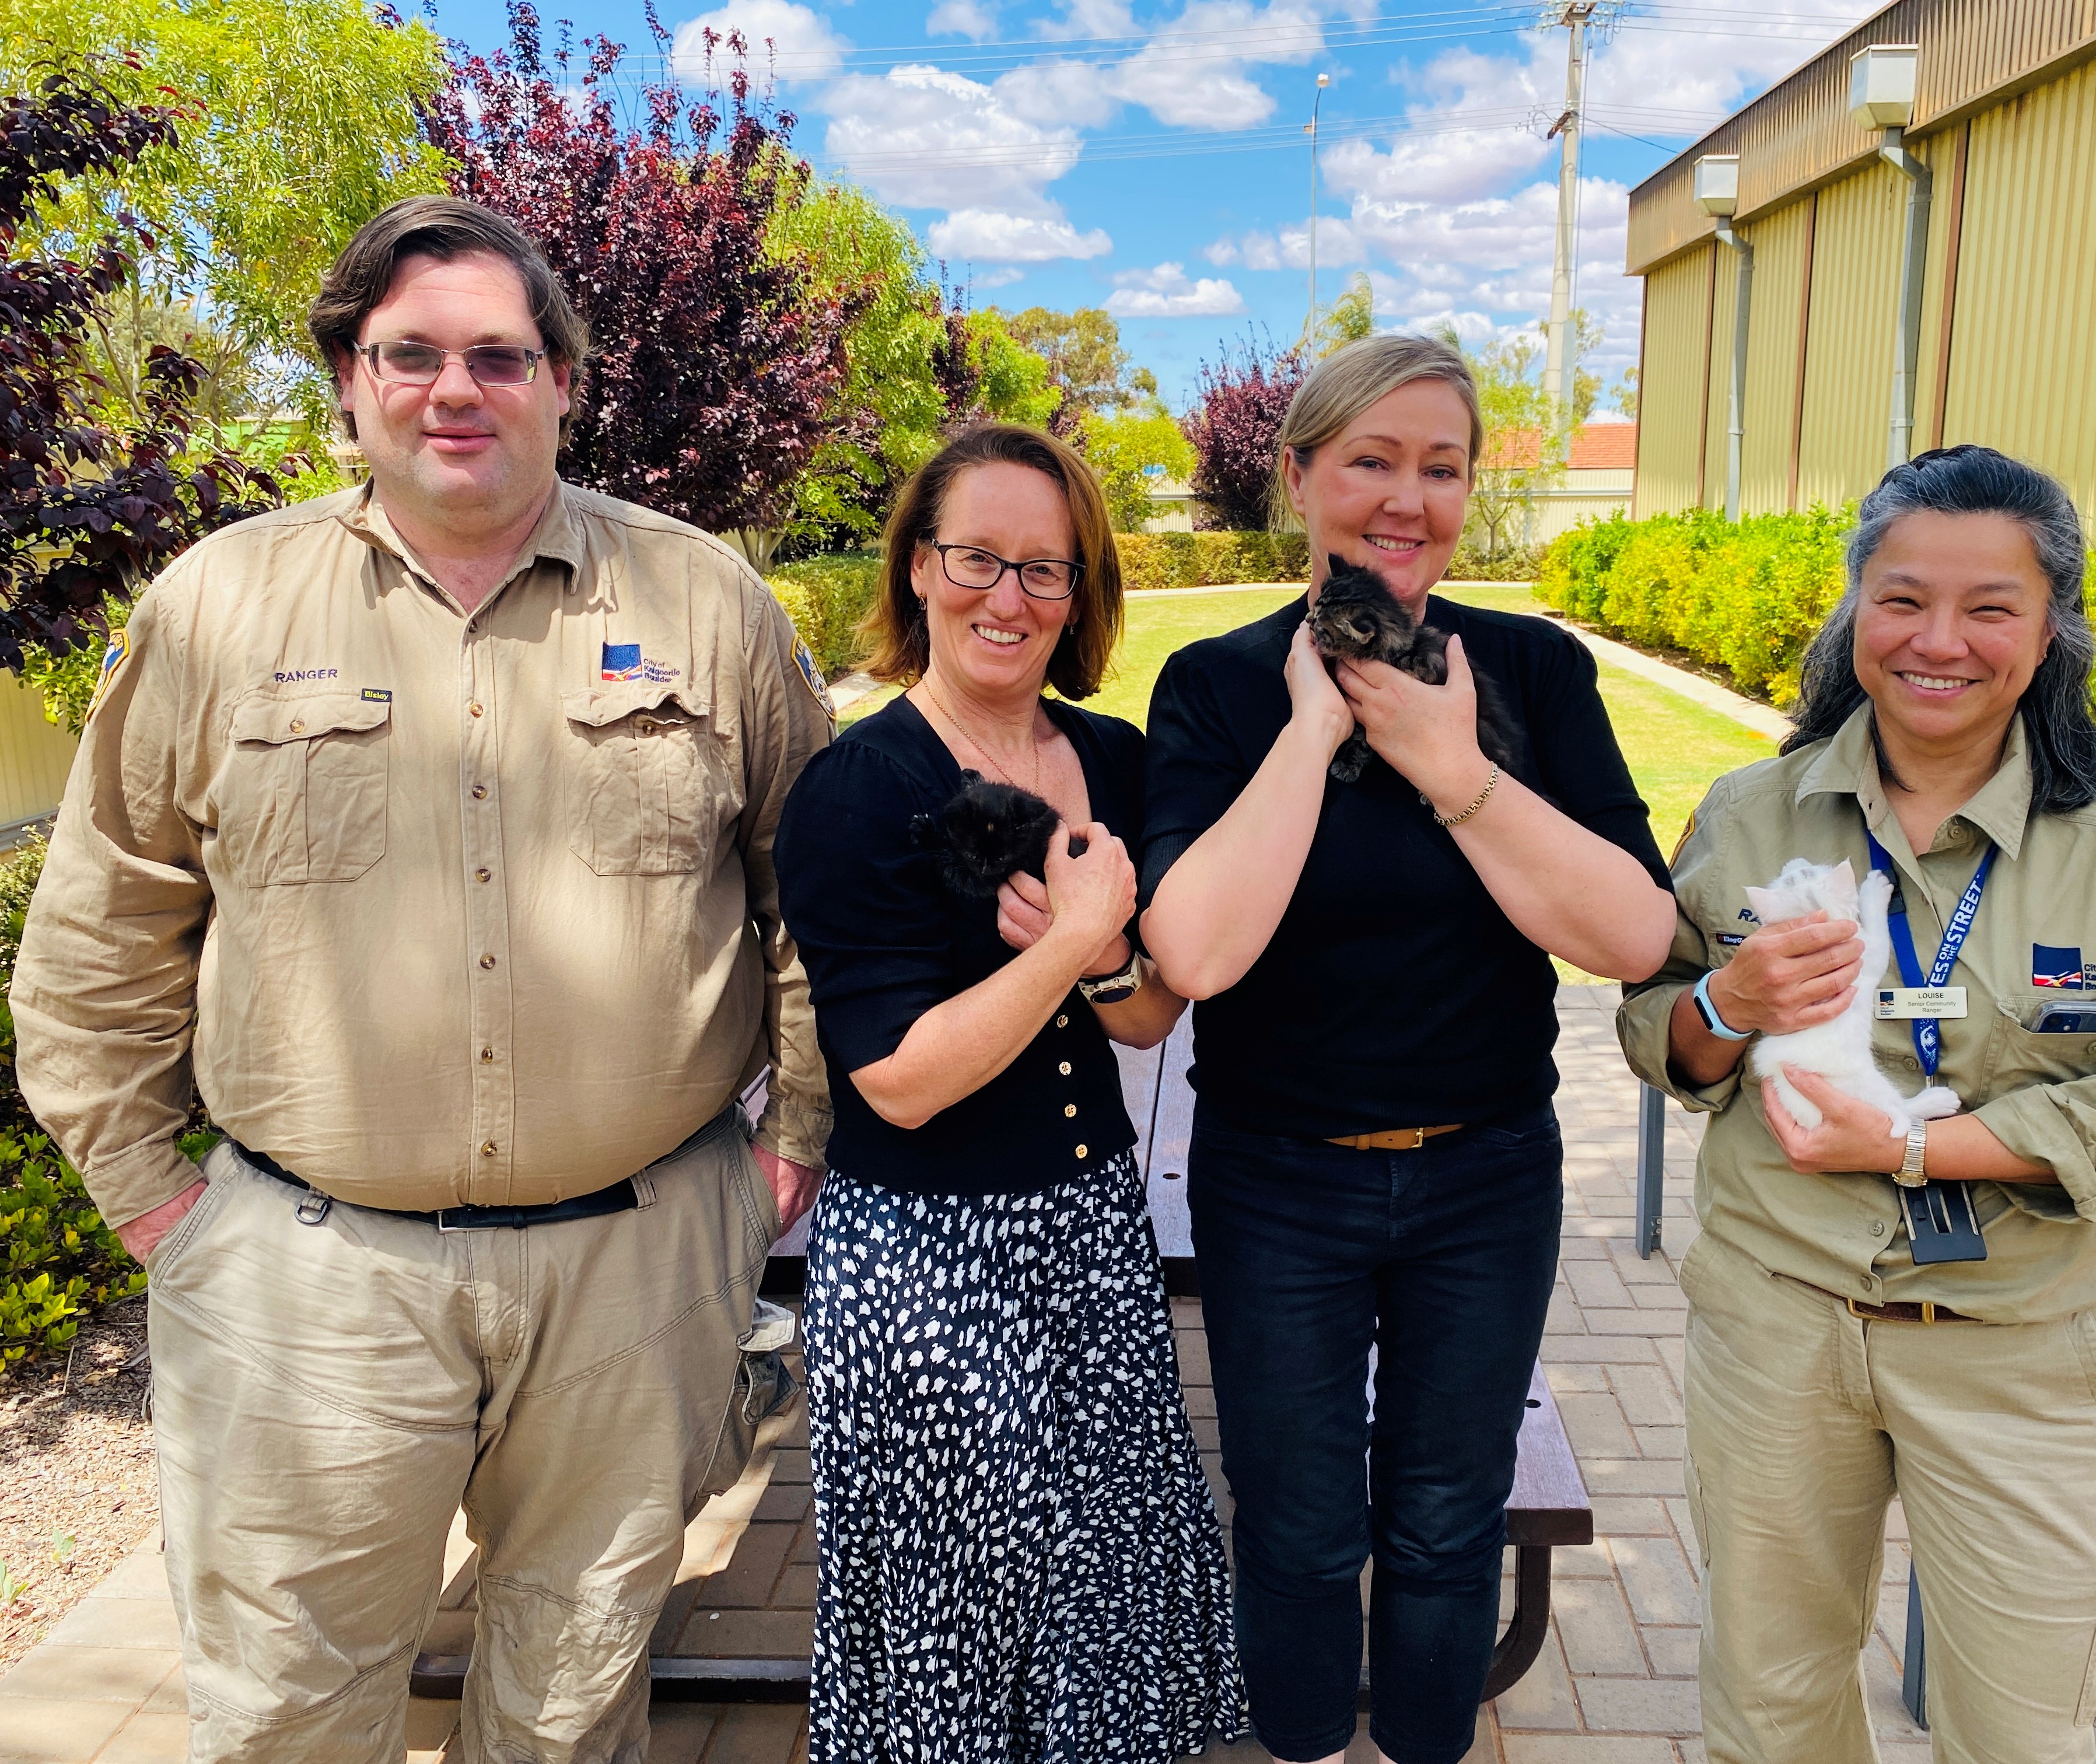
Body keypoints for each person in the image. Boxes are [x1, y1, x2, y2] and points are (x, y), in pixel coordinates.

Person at [8, 195, 834, 1763]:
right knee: (289, 1705)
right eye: (411, 354)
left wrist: (788, 1143)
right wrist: (156, 1206)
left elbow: (819, 894)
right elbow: (103, 926)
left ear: (565, 382)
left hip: (638, 1266)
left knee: (578, 1688)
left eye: (500, 356)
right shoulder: (216, 609)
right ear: (348, 381)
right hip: (306, 1282)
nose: (457, 389)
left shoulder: (703, 601)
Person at [1616, 445, 2096, 1762]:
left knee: (2028, 1731)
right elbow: (1659, 1040)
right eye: (1903, 599)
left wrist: (1916, 1142)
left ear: (2052, 628)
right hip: (1777, 1328)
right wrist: (1730, 1002)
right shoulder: (1746, 815)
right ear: (1856, 606)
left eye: (1990, 608)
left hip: (2019, 1347)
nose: (1940, 643)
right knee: (1773, 1706)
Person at [1138, 334, 1679, 1764]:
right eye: (1370, 459)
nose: (1407, 498)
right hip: (1279, 1180)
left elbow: (1633, 935)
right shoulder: (1215, 686)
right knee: (1301, 1520)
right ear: (1301, 476)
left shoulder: (1534, 674)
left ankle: (1431, 1747)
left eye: (1442, 467)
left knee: (1450, 1521)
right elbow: (1192, 955)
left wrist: (1456, 770)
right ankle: (1311, 1744)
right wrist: (1314, 734)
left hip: (1487, 1177)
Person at [774, 422, 1245, 1760]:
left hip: (1092, 1231)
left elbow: (1149, 1013)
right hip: (928, 1255)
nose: (1010, 598)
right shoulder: (855, 791)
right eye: (979, 558)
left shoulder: (1120, 763)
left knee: (1100, 1570)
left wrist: (1097, 954)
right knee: (953, 1594)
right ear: (920, 570)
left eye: (1048, 569)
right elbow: (901, 1082)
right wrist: (1060, 944)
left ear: (1082, 593)